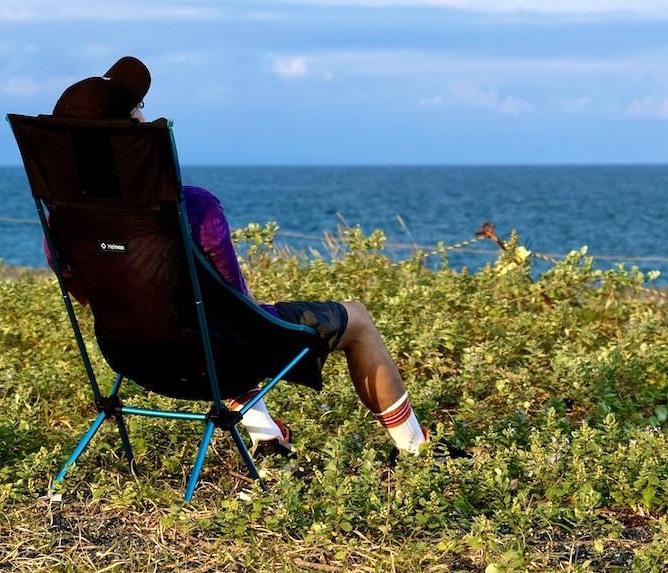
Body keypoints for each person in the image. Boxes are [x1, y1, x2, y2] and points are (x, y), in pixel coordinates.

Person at [45, 57, 428, 457]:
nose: (146, 112)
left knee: (207, 326)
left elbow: (85, 292)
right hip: (214, 358)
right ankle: (419, 453)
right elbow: (234, 304)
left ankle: (267, 436)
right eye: (137, 108)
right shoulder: (193, 207)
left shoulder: (62, 222)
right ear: (133, 136)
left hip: (129, 357)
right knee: (356, 320)